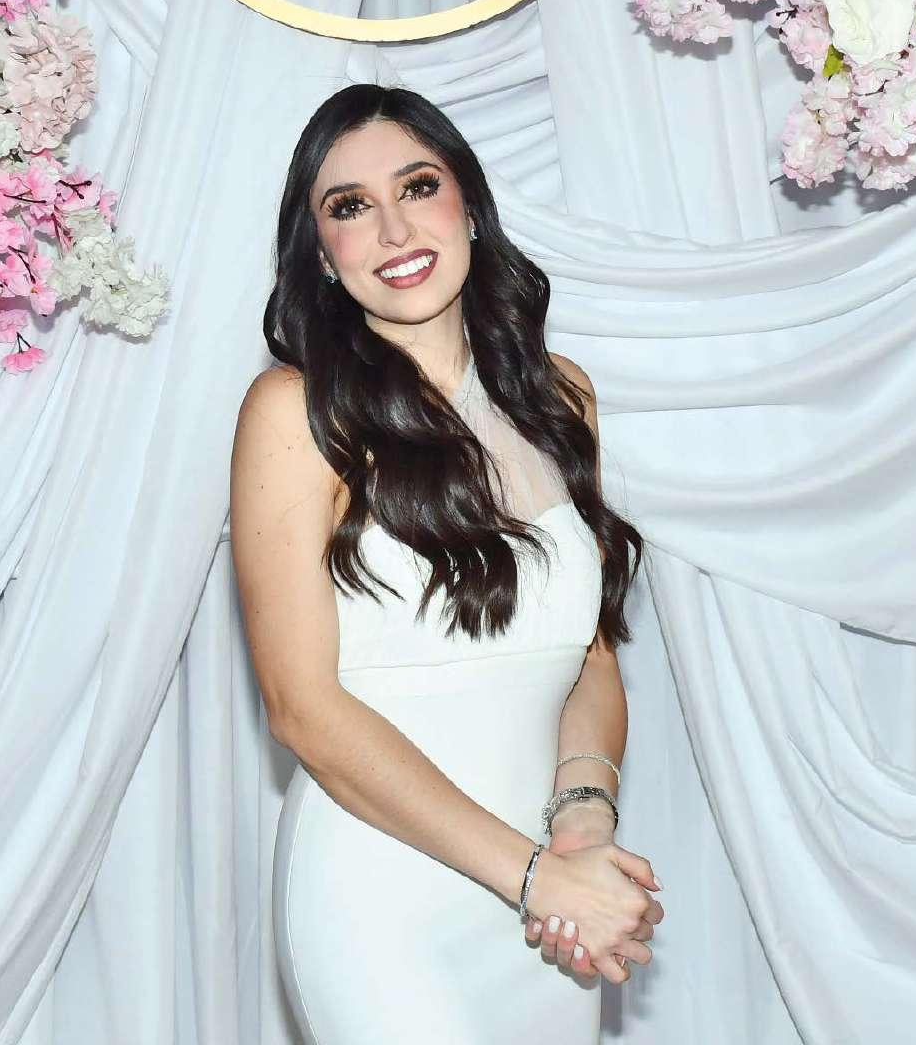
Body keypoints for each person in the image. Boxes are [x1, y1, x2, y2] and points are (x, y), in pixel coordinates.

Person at [230, 83, 664, 1044]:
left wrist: (583, 819)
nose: (393, 229)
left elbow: (588, 657)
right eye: (350, 206)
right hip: (381, 901)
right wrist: (531, 874)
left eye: (417, 186)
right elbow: (300, 707)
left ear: (469, 203)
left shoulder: (561, 399)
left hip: (551, 908)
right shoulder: (295, 414)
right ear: (322, 256)